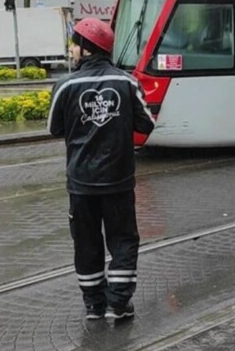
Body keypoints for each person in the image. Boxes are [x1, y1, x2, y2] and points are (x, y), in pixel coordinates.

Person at [47, 18, 156, 320]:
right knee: (122, 240)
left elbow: (54, 128)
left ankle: (94, 305)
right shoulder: (127, 83)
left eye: (73, 44)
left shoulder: (66, 85)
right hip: (119, 181)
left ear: (85, 48)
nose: (71, 49)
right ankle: (118, 304)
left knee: (86, 242)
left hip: (81, 183)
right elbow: (147, 123)